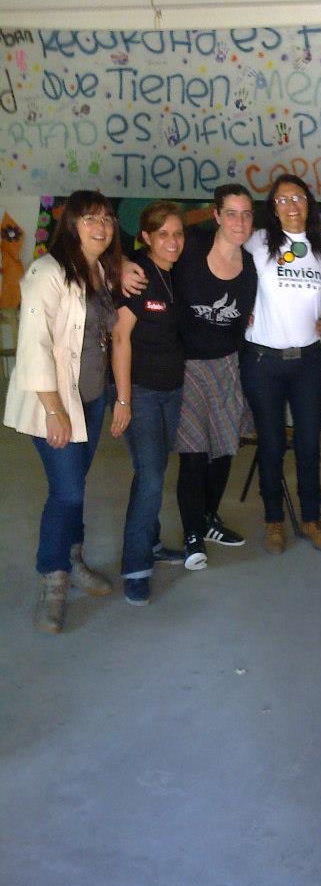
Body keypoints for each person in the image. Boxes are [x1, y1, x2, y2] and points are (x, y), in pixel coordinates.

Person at [4, 190, 121, 633]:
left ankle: (73, 559)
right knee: (67, 492)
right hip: (55, 404)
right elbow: (33, 345)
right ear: (71, 225)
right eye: (90, 218)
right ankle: (53, 578)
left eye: (106, 219)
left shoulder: (101, 271)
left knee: (75, 485)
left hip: (91, 399)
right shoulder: (47, 272)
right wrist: (54, 411)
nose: (100, 227)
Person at [241, 175, 321, 555]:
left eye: (297, 197)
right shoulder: (258, 241)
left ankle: (311, 520)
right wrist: (241, 310)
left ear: (308, 202)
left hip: (308, 362)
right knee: (270, 445)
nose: (291, 205)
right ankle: (274, 521)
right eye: (282, 199)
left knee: (308, 444)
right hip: (263, 361)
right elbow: (223, 260)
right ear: (273, 207)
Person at [173, 184, 256, 569]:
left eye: (246, 214)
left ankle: (208, 519)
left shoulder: (251, 266)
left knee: (223, 450)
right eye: (232, 213)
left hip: (228, 365)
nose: (240, 222)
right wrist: (126, 267)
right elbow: (151, 255)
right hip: (189, 365)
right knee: (193, 454)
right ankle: (192, 533)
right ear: (217, 215)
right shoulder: (190, 248)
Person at [111, 201, 186, 606]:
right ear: (146, 238)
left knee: (154, 470)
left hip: (172, 391)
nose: (172, 241)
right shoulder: (137, 275)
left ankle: (151, 543)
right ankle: (135, 567)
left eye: (177, 233)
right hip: (140, 392)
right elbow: (120, 338)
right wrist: (123, 400)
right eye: (163, 235)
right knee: (152, 476)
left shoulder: (174, 272)